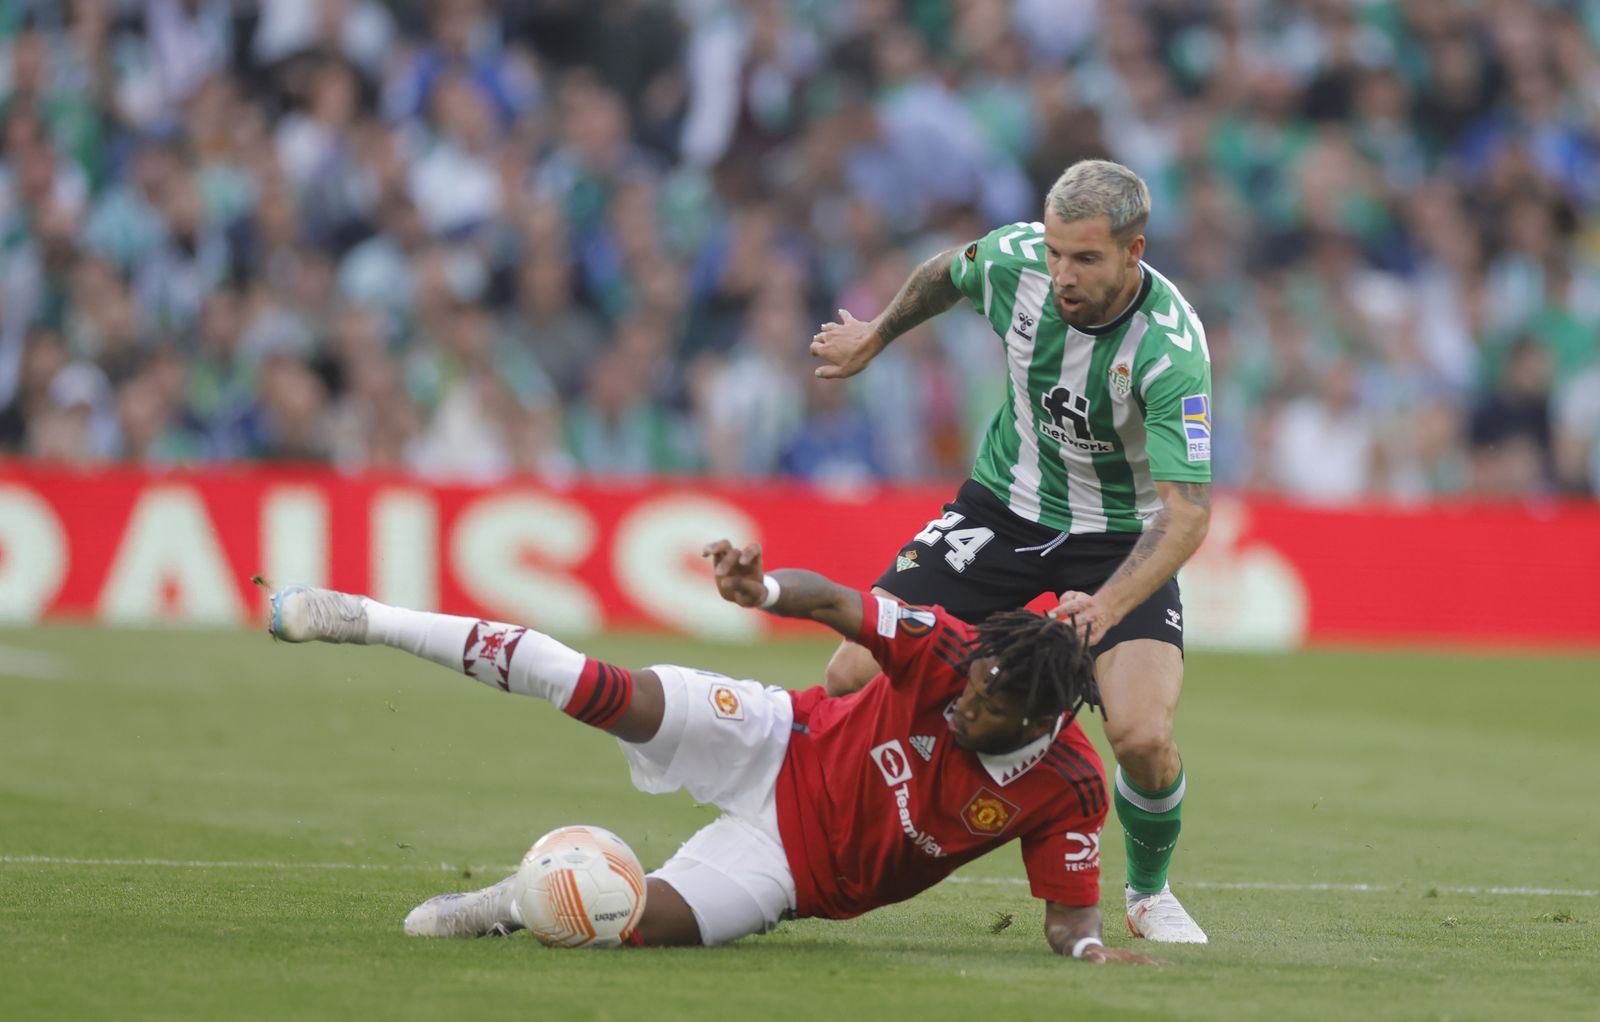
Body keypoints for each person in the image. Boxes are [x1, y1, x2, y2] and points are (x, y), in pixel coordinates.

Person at [263, 541, 1165, 965]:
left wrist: (1091, 953)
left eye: (988, 707)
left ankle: (509, 899)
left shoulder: (1071, 787)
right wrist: (763, 588)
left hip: (797, 872)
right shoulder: (950, 649)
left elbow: (1068, 920)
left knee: (622, 924)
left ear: (1042, 719)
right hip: (775, 738)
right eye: (969, 685)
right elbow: (836, 601)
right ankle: (362, 617)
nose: (964, 702)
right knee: (594, 686)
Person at [808, 159, 1213, 943]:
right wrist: (875, 335)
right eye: (1056, 252)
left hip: (1117, 539)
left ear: (1134, 251)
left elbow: (1187, 514)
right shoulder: (1016, 259)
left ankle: (1149, 892)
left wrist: (1107, 607)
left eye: (1085, 258)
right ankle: (811, 826)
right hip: (1003, 509)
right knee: (851, 673)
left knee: (1142, 737)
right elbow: (944, 273)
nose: (1062, 274)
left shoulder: (1170, 350)